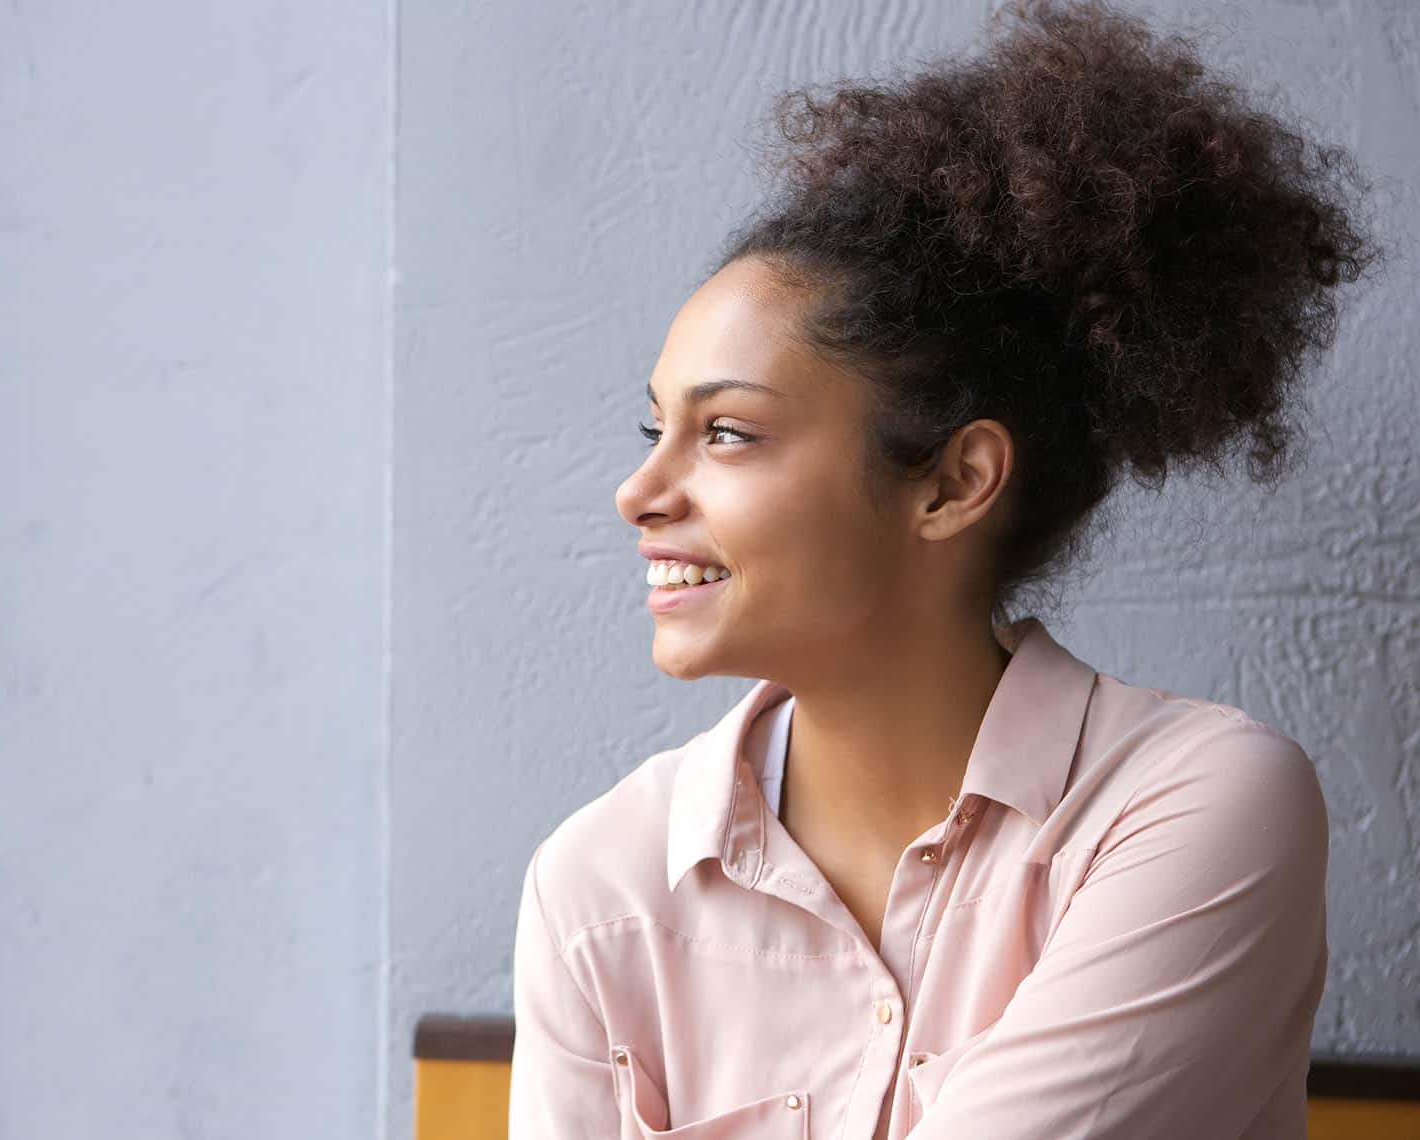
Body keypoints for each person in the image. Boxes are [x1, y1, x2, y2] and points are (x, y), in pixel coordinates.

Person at [507, 1, 1383, 1136]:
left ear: (954, 482)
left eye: (726, 434)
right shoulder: (601, 888)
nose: (641, 493)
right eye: (654, 431)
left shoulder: (1195, 808)